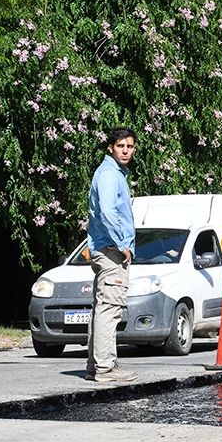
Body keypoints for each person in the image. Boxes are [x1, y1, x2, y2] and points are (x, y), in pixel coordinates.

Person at [85, 127, 138, 382]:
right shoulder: (108, 175)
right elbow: (107, 212)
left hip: (105, 248)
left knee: (101, 308)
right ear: (111, 147)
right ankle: (105, 368)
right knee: (110, 309)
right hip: (110, 250)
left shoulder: (115, 174)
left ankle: (96, 366)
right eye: (121, 146)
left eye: (129, 146)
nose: (126, 151)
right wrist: (121, 244)